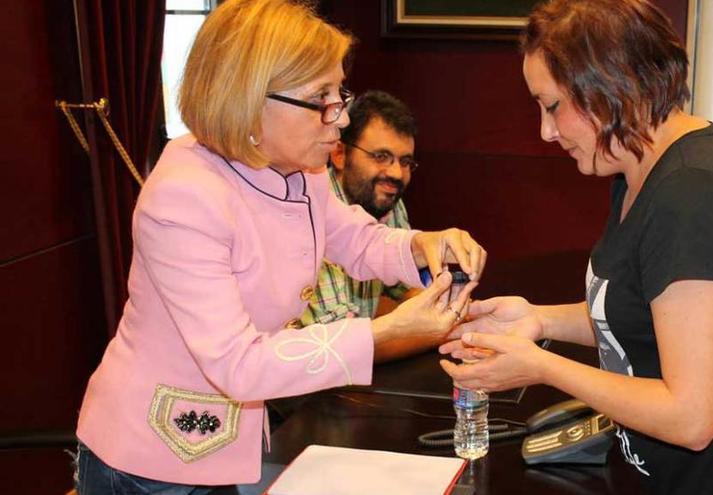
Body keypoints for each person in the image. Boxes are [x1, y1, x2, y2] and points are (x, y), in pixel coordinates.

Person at [73, 1, 485, 492]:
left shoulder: (299, 167)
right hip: (151, 460)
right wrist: (384, 331)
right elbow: (238, 364)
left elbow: (352, 237)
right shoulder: (183, 197)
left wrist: (422, 244)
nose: (342, 117)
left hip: (228, 444)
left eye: (341, 92)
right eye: (322, 98)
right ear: (250, 98)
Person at [440, 1, 713, 494]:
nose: (546, 131)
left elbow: (691, 418)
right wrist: (539, 320)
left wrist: (541, 365)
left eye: (553, 105)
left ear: (610, 83)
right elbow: (643, 316)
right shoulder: (638, 168)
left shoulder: (692, 196)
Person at [297, 90, 437, 361]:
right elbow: (338, 347)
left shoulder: (387, 202)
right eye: (381, 156)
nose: (396, 173)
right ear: (339, 154)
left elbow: (403, 290)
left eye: (405, 161)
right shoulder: (310, 207)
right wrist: (445, 329)